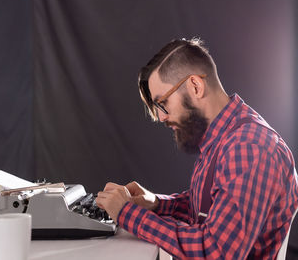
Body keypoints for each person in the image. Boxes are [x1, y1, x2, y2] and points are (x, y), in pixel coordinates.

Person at [95, 38, 298, 259]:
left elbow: (215, 252)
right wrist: (156, 203)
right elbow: (210, 208)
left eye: (162, 103)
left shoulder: (248, 146)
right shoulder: (225, 137)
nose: (161, 117)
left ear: (195, 86)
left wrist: (127, 214)